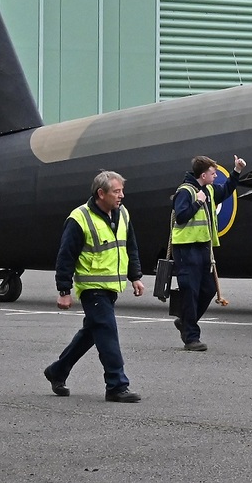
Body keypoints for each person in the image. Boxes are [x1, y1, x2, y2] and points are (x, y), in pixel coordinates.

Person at [44, 170, 144, 402]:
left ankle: (57, 371)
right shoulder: (80, 218)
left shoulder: (123, 214)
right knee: (108, 332)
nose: (121, 196)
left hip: (111, 287)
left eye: (122, 191)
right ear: (101, 193)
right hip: (92, 289)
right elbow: (65, 256)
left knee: (92, 332)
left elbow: (130, 247)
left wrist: (135, 276)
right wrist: (64, 290)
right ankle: (116, 385)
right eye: (116, 191)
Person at [169, 154, 245, 352]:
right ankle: (191, 338)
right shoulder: (186, 191)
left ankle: (185, 321)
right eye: (213, 173)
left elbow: (227, 189)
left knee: (209, 289)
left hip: (203, 248)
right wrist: (198, 203)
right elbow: (181, 217)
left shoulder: (208, 190)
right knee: (190, 292)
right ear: (203, 175)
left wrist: (236, 171)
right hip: (186, 249)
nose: (215, 176)